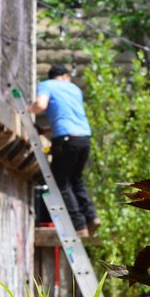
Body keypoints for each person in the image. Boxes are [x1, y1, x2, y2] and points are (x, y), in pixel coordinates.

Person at [29, 64, 99, 238]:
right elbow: (68, 117)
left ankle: (79, 225)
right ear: (65, 76)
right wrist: (45, 131)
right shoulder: (74, 89)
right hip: (84, 140)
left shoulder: (47, 85)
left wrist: (27, 110)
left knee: (60, 183)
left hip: (66, 140)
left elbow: (40, 105)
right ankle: (92, 216)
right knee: (76, 179)